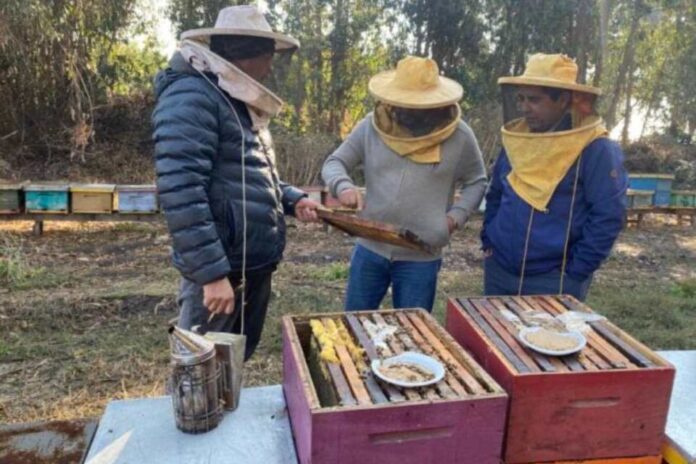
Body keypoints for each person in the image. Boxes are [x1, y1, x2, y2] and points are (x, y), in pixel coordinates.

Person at [152, 5, 319, 360]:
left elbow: (247, 172)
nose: (271, 66)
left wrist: (291, 198)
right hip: (223, 270)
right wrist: (212, 275)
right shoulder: (193, 97)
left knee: (233, 365)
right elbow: (181, 190)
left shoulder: (230, 96)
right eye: (266, 56)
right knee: (199, 370)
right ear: (245, 54)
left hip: (248, 264)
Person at [322, 56, 487, 312]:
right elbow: (334, 162)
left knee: (413, 331)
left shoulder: (460, 136)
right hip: (370, 247)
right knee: (353, 322)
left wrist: (455, 217)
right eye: (406, 104)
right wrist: (343, 186)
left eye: (420, 105)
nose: (412, 111)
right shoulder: (371, 126)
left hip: (421, 255)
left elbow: (477, 181)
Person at [481, 53, 628, 301]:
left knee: (549, 341)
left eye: (535, 100)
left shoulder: (596, 148)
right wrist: (489, 241)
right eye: (522, 99)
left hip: (554, 278)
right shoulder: (518, 140)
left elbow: (608, 216)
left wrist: (576, 271)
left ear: (562, 100)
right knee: (495, 339)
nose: (525, 108)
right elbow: (496, 193)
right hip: (499, 270)